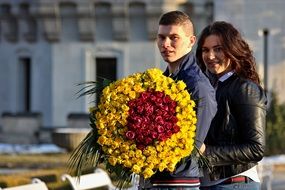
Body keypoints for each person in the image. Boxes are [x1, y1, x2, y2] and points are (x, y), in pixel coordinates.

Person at [139, 10, 217, 190]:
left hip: (178, 182)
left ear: (191, 41)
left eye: (174, 38)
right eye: (161, 37)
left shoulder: (198, 86)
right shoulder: (162, 81)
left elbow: (192, 146)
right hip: (156, 181)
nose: (166, 44)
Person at [196, 21, 267, 190]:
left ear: (232, 49)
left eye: (218, 49)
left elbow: (256, 148)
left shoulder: (246, 89)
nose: (210, 56)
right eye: (205, 50)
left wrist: (207, 152)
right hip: (207, 183)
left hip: (234, 184)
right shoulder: (206, 87)